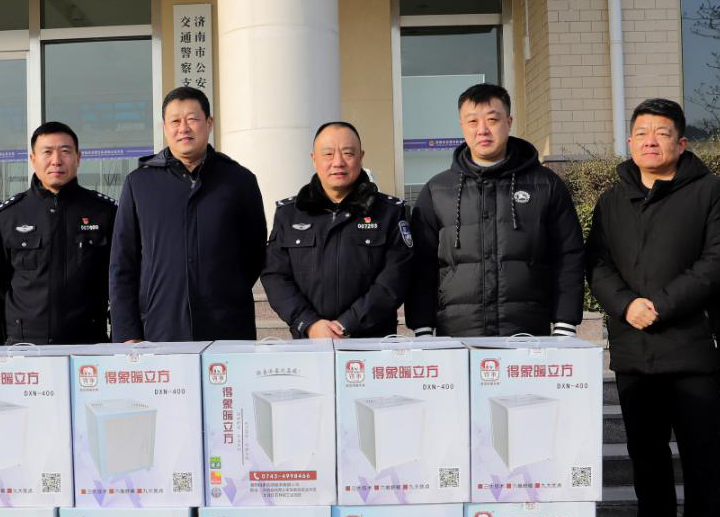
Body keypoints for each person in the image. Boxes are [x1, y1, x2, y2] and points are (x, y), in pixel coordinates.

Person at [587, 98, 720, 517]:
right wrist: (625, 304)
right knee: (646, 461)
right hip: (635, 353)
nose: (650, 140)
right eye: (641, 132)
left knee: (702, 463)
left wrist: (661, 305)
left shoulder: (712, 192)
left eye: (661, 132)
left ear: (682, 142)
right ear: (629, 141)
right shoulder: (613, 198)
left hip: (692, 350)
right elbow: (597, 263)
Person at [405, 83, 585, 338]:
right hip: (457, 335)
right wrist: (422, 327)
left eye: (492, 119)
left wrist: (565, 323)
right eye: (472, 121)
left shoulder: (545, 185)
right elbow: (421, 265)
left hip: (527, 334)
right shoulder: (437, 190)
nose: (482, 130)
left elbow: (568, 255)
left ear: (509, 122)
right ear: (462, 125)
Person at [109, 86, 267, 342]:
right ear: (164, 127)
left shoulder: (239, 181)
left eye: (192, 119)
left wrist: (223, 289)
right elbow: (122, 264)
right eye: (175, 121)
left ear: (209, 123)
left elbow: (254, 254)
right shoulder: (139, 184)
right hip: (159, 328)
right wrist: (127, 333)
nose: (183, 128)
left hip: (227, 327)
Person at [261, 122, 412, 338]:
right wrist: (309, 324)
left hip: (373, 342)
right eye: (328, 154)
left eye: (348, 153)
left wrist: (347, 324)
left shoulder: (389, 213)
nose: (338, 162)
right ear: (314, 159)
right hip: (310, 341)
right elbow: (275, 276)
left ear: (361, 156)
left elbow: (395, 278)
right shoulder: (289, 214)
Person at [0, 122, 116, 345]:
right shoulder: (9, 216)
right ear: (33, 159)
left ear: (78, 158)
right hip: (25, 347)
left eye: (65, 151)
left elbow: (120, 284)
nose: (56, 160)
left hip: (88, 346)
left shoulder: (104, 213)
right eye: (47, 152)